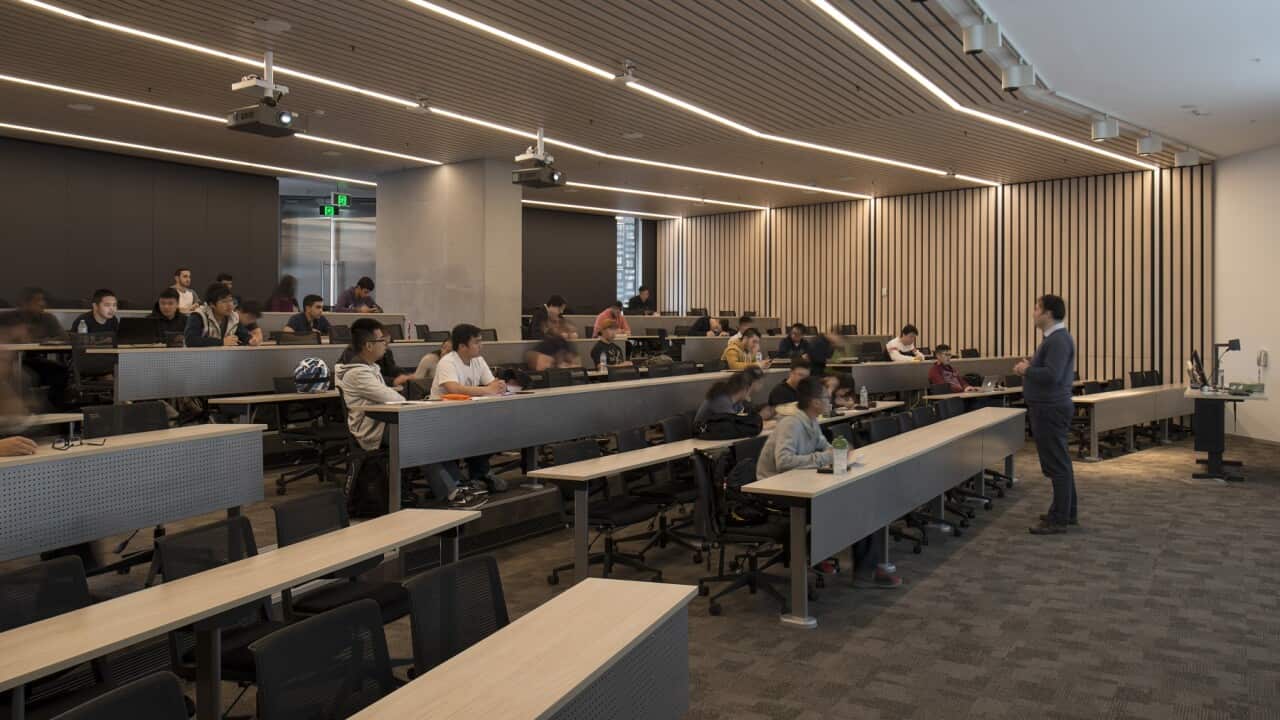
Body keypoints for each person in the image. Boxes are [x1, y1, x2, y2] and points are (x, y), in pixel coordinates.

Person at [756, 376, 901, 587]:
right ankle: (861, 572)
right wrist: (828, 457)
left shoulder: (811, 421)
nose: (829, 401)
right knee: (854, 505)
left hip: (798, 482)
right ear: (815, 402)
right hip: (776, 491)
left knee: (865, 498)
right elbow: (784, 462)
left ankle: (847, 562)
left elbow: (825, 448)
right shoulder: (792, 424)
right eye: (826, 397)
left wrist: (840, 449)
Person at [335, 318, 483, 508]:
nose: (386, 345)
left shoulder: (371, 368)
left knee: (433, 436)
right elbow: (395, 399)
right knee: (421, 440)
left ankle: (458, 484)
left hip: (386, 424)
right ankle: (451, 492)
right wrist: (396, 392)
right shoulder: (358, 373)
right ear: (369, 345)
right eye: (382, 341)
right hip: (372, 431)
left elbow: (391, 396)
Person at [1016, 294, 1078, 535]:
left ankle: (1059, 518)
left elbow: (1052, 375)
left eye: (1036, 308)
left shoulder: (1058, 341)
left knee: (1057, 465)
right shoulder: (1054, 339)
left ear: (1047, 313)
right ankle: (1066, 511)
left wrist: (1026, 369)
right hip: (1049, 406)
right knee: (1061, 462)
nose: (1033, 312)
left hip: (1050, 408)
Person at [432, 324, 509, 493]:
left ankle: (480, 474)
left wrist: (499, 385)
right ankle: (466, 479)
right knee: (474, 430)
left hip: (467, 414)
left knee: (497, 429)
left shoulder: (478, 360)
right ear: (462, 346)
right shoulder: (447, 362)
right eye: (476, 342)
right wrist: (487, 390)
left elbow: (492, 383)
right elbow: (454, 388)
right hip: (440, 416)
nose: (481, 346)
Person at [694, 366, 771, 430]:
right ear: (744, 388)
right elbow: (735, 424)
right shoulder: (721, 399)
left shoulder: (737, 402)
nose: (750, 393)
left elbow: (740, 420)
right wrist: (759, 418)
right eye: (749, 389)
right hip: (702, 434)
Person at [184, 285, 250, 347]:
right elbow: (190, 340)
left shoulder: (234, 317)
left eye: (230, 300)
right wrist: (222, 342)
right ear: (212, 304)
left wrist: (251, 340)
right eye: (224, 301)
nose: (229, 305)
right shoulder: (198, 315)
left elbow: (244, 336)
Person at [0, 287, 66, 342]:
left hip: (40, 355)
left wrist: (35, 341)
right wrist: (11, 335)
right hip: (10, 356)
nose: (42, 304)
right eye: (37, 300)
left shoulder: (48, 318)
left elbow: (64, 337)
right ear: (24, 304)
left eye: (43, 300)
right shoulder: (7, 317)